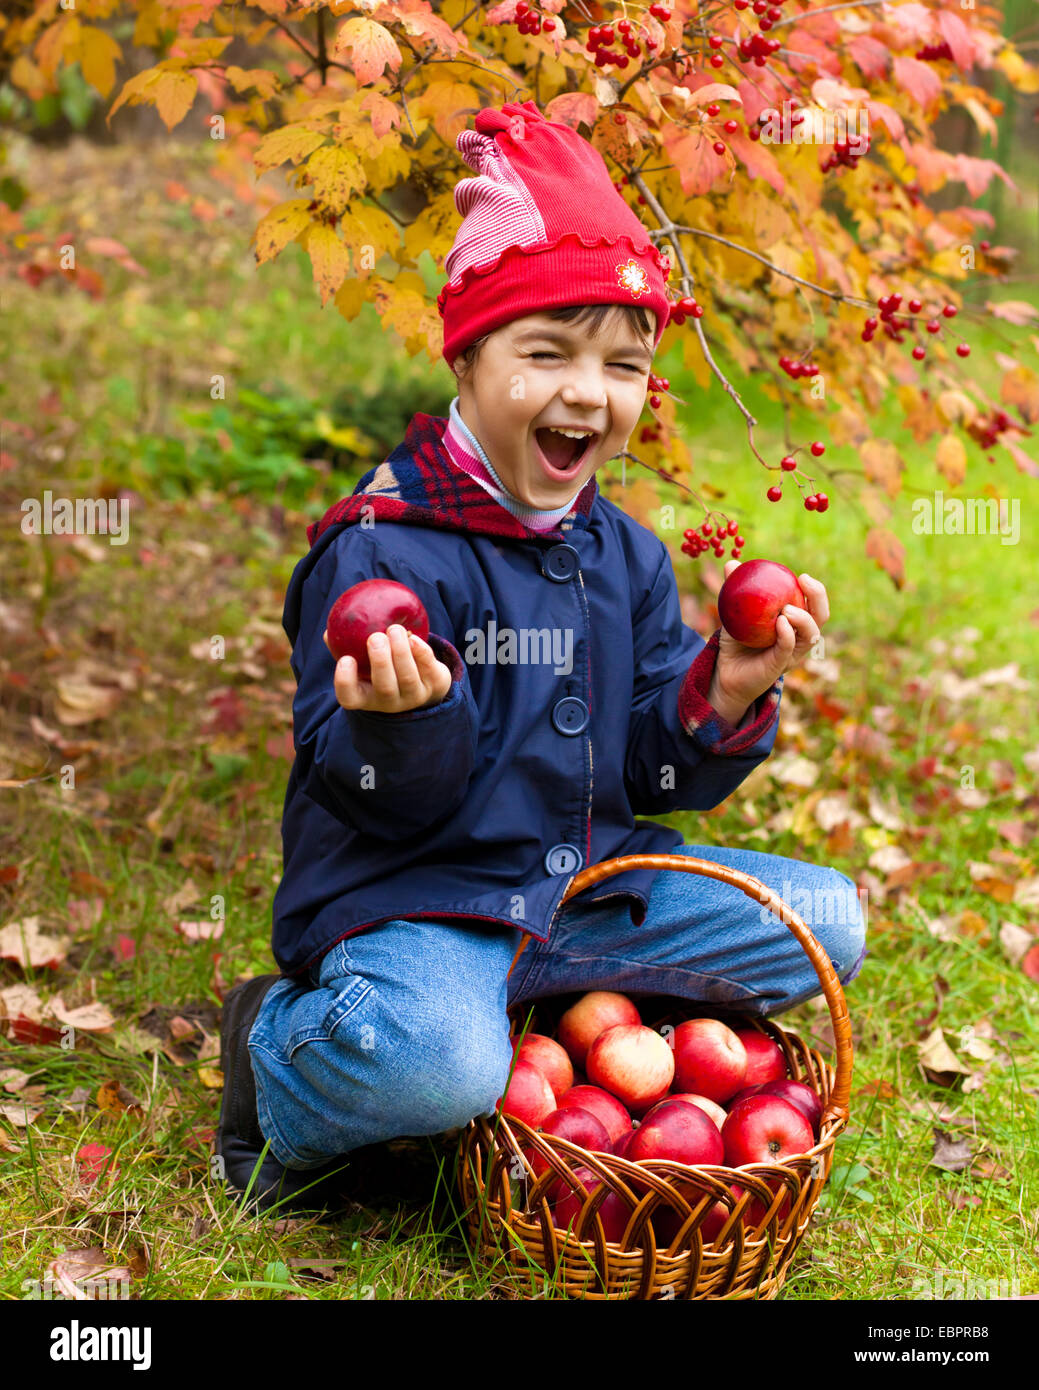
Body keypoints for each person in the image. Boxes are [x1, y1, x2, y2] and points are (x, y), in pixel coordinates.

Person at [216, 99, 866, 1215]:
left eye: (622, 364)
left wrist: (725, 693)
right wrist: (401, 723)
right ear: (466, 359)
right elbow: (364, 797)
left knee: (828, 927)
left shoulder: (625, 553)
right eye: (546, 352)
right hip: (419, 897)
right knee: (435, 1064)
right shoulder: (383, 553)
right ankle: (275, 1052)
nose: (586, 392)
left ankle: (548, 1019)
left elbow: (648, 774)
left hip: (579, 891)